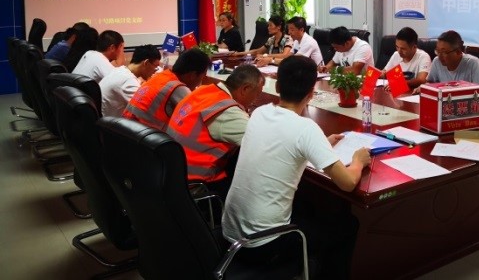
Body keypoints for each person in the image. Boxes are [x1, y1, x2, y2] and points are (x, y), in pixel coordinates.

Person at [222, 56, 370, 279]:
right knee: (347, 225)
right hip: (263, 245)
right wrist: (358, 160)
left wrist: (321, 144)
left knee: (309, 207)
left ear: (277, 86)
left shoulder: (260, 113)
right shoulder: (306, 129)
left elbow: (282, 145)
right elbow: (348, 183)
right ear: (311, 93)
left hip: (231, 236)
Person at [166, 64, 264, 198]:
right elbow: (264, 143)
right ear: (245, 89)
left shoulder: (204, 91)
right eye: (257, 94)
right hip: (194, 186)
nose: (255, 100)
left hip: (171, 171)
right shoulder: (228, 112)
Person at [123, 48, 211, 131]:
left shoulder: (161, 76)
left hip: (127, 131)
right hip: (142, 137)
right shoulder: (178, 88)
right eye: (203, 75)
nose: (203, 79)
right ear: (193, 75)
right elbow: (199, 119)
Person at [100, 44, 161, 117]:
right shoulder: (128, 81)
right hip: (109, 122)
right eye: (156, 66)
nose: (155, 71)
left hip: (104, 118)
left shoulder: (120, 71)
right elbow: (147, 111)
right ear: (146, 63)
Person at [425, 30, 479, 97]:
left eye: (444, 52)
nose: (439, 56)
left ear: (458, 52)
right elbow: (430, 83)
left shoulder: (473, 63)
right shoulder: (437, 61)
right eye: (438, 51)